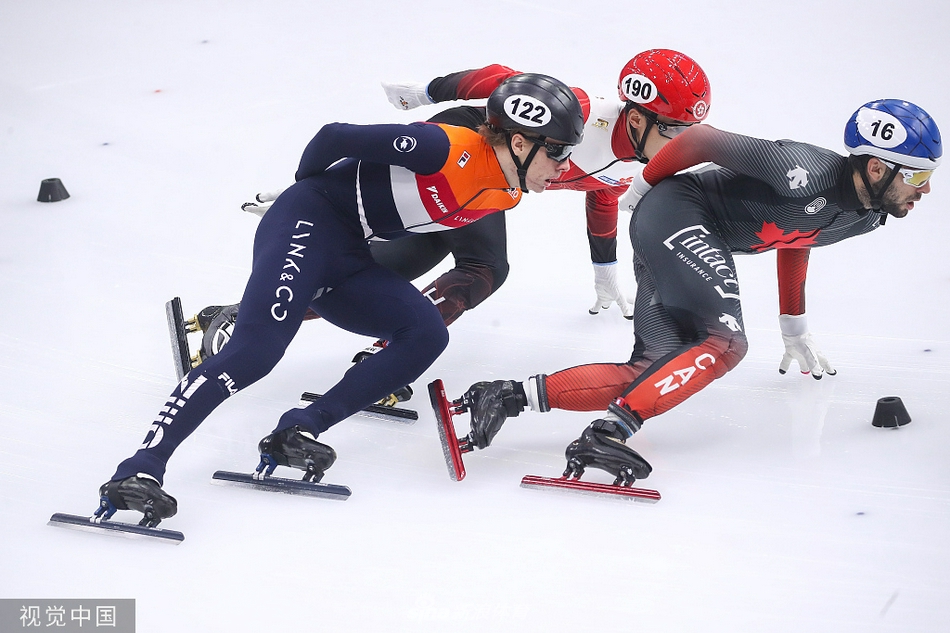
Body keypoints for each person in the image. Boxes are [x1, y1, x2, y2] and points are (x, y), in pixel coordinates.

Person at [96, 73, 585, 527]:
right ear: (520, 142)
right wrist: (307, 192)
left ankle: (297, 431)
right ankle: (139, 469)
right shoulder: (441, 146)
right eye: (559, 152)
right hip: (306, 223)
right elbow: (332, 136)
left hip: (351, 251)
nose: (563, 167)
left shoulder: (508, 192)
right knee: (254, 354)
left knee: (425, 334)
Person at [451, 98, 941, 485]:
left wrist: (794, 325)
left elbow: (800, 235)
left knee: (652, 369)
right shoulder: (806, 167)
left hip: (676, 231)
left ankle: (503, 398)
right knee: (724, 342)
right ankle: (607, 434)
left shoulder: (868, 216)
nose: (924, 190)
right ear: (878, 168)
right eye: (918, 176)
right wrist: (641, 186)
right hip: (678, 211)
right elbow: (703, 138)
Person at [186, 50, 714, 400]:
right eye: (677, 129)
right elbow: (496, 79)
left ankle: (245, 312)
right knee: (485, 265)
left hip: (485, 186)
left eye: (691, 130)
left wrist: (604, 272)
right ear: (639, 117)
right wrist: (425, 92)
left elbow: (602, 195)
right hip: (464, 146)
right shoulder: (579, 111)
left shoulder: (637, 160)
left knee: (405, 261)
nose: (683, 143)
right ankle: (388, 343)